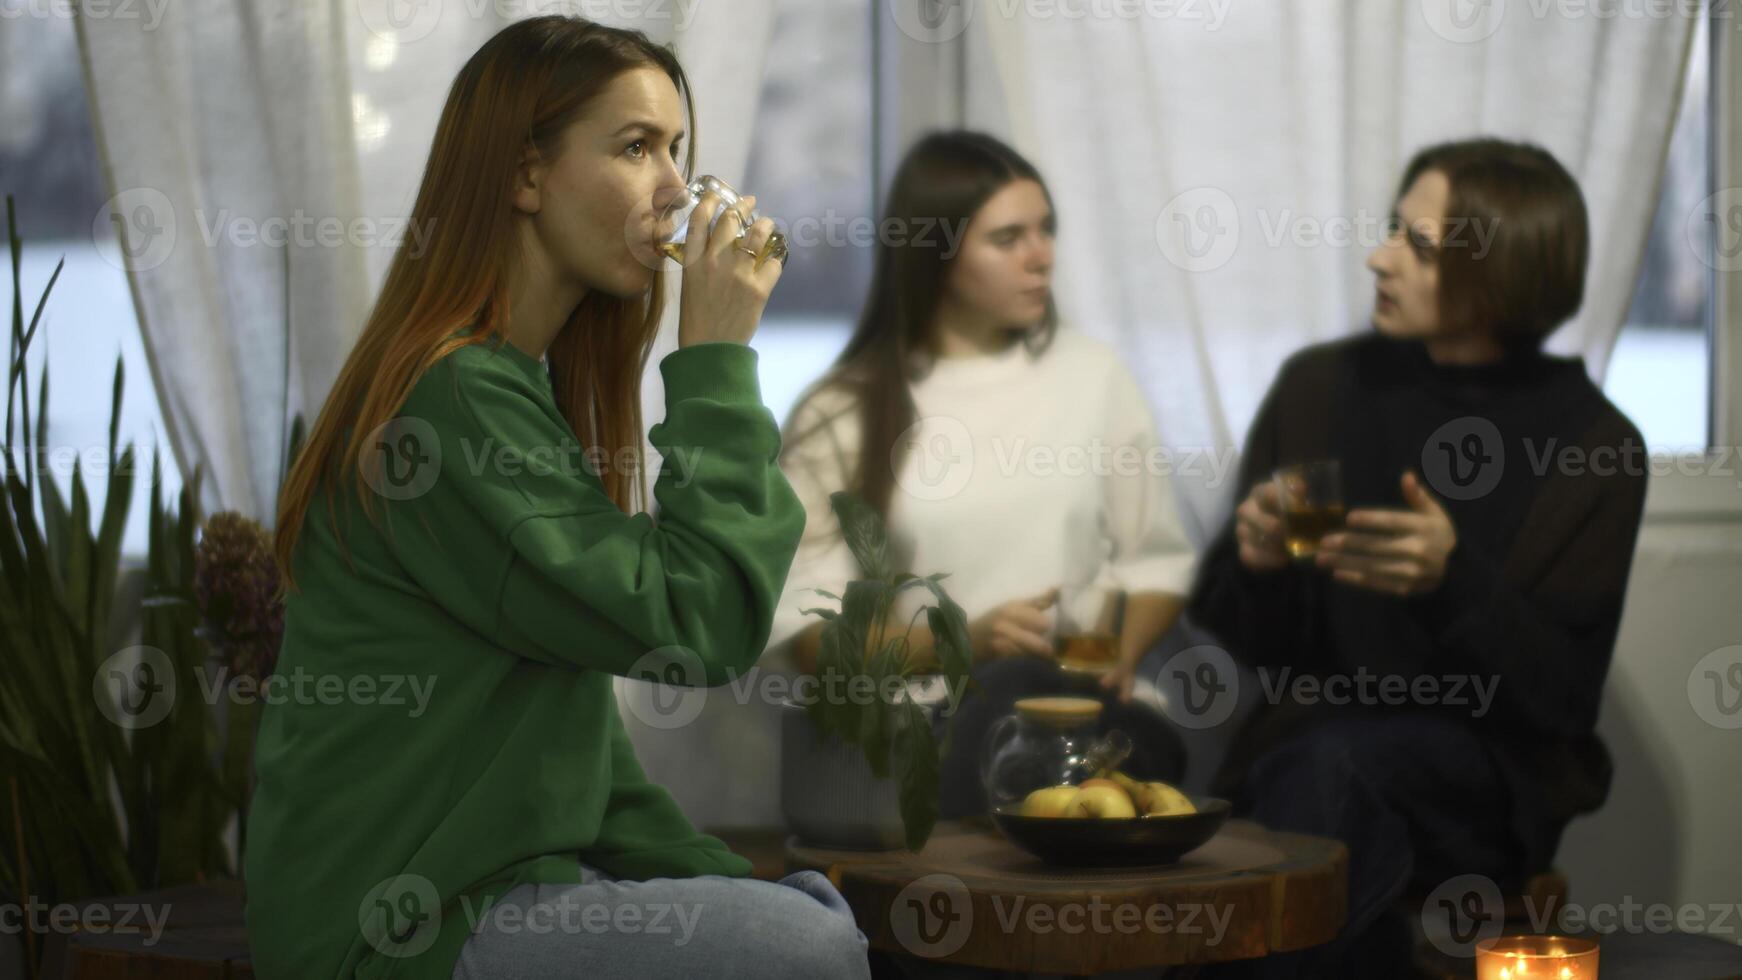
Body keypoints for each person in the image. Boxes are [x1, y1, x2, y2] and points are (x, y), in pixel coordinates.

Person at [244, 17, 869, 980]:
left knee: (801, 920)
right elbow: (696, 623)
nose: (674, 190)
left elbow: (575, 753)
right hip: (401, 930)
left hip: (510, 891)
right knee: (817, 944)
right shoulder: (451, 396)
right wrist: (713, 359)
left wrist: (739, 888)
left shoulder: (510, 388)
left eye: (678, 151)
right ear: (524, 176)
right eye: (634, 147)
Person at [1189, 138, 1648, 977]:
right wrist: (1255, 563)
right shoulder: (1322, 387)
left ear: (1502, 275)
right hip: (1306, 750)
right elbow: (1249, 640)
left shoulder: (1596, 444)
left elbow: (1559, 701)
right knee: (1316, 792)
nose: (1379, 257)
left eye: (1418, 246)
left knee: (1325, 782)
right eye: (1392, 229)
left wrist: (1452, 584)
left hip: (1485, 776)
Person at [766, 131, 1197, 821]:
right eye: (1008, 238)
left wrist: (1118, 650)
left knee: (1082, 726)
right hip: (923, 731)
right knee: (1007, 700)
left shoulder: (1093, 377)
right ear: (935, 255)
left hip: (1092, 721)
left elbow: (1157, 563)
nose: (1042, 256)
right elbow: (813, 640)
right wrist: (964, 643)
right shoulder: (841, 411)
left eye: (1047, 230)